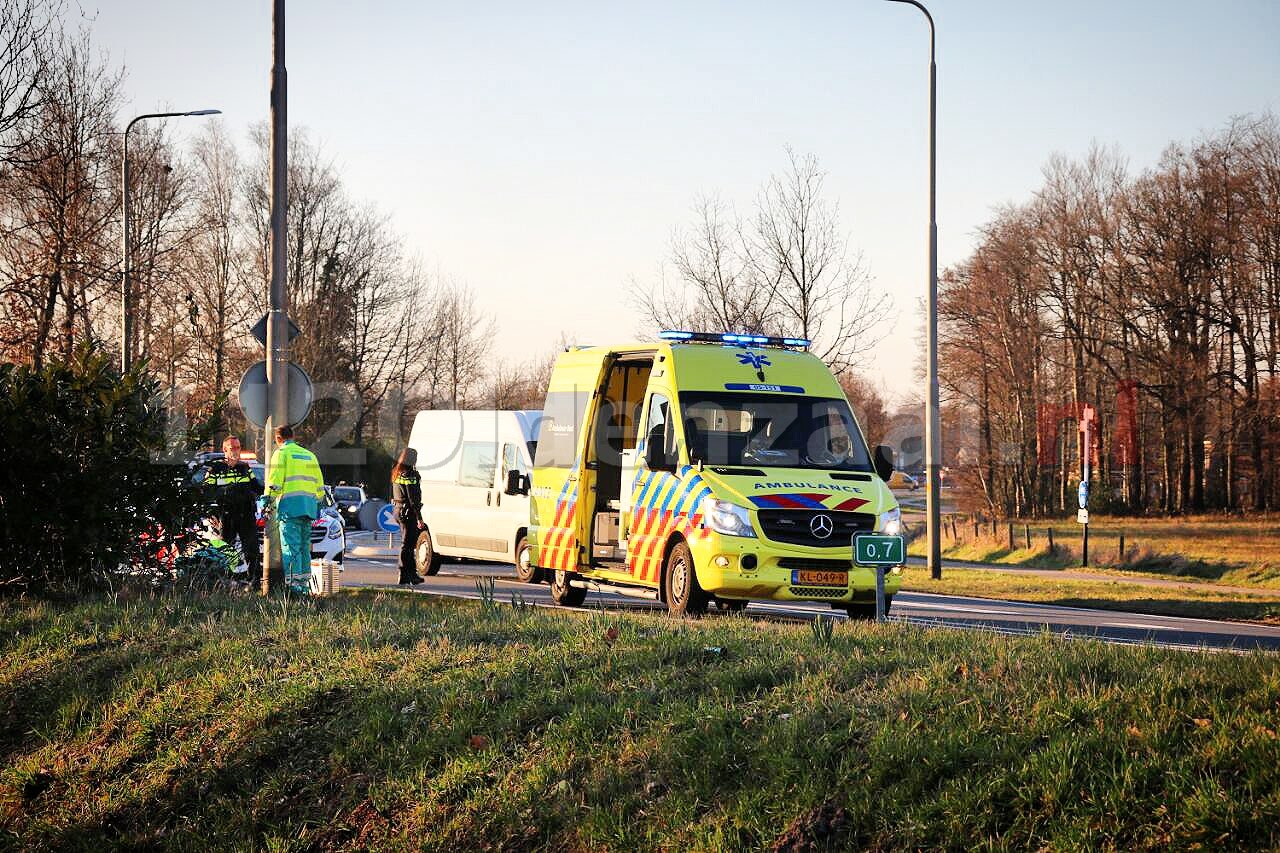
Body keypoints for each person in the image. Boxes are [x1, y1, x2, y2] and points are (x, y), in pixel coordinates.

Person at [265, 425, 325, 592]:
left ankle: (294, 588)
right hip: (309, 509)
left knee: (291, 549)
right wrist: (317, 504)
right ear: (293, 435)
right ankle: (305, 587)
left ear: (278, 439)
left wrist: (267, 500)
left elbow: (275, 483)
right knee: (304, 548)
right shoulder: (309, 455)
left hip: (290, 509)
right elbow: (320, 486)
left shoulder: (281, 454)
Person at [205, 436, 263, 583]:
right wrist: (212, 513)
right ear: (225, 450)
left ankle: (254, 582)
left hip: (246, 514)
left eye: (238, 447)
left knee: (251, 549)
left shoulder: (244, 467)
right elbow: (206, 491)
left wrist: (271, 489)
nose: (236, 451)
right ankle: (225, 581)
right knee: (226, 549)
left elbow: (257, 487)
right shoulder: (215, 468)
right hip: (226, 515)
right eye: (233, 448)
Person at [391, 447, 425, 584]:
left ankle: (407, 575)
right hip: (408, 512)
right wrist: (419, 518)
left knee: (407, 544)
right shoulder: (410, 475)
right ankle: (407, 574)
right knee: (408, 545)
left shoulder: (396, 473)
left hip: (398, 510)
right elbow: (413, 498)